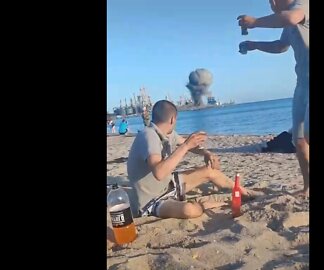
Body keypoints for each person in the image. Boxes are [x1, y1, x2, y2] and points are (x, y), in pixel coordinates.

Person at [127, 100, 262, 219]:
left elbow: (187, 144)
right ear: (173, 119)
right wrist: (186, 146)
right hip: (152, 200)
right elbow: (159, 173)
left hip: (168, 184)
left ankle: (246, 193)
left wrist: (205, 153)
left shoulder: (166, 133)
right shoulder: (149, 136)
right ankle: (204, 205)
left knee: (210, 171)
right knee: (189, 210)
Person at [237, 0, 309, 198]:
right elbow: (280, 46)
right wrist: (255, 45)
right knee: (299, 141)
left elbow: (292, 17)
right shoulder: (287, 20)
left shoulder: (303, 5)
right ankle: (307, 188)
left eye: (273, 0)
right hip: (302, 84)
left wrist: (255, 22)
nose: (271, 4)